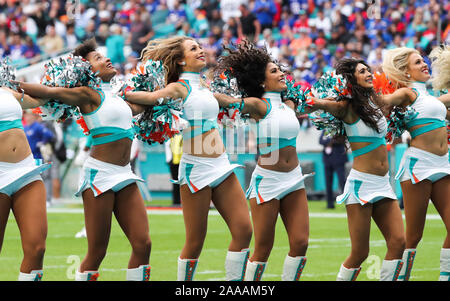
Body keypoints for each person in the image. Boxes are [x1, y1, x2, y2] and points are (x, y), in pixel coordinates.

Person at [16, 38, 152, 281]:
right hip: (100, 176)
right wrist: (12, 84)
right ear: (87, 70)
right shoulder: (88, 94)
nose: (106, 58)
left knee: (143, 244)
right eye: (98, 58)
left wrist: (167, 92)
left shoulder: (120, 97)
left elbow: (145, 105)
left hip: (125, 173)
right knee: (97, 252)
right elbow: (50, 92)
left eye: (104, 55)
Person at [124, 36, 252, 281]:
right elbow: (151, 98)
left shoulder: (205, 84)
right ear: (181, 60)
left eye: (201, 46)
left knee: (244, 230)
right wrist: (122, 95)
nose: (201, 50)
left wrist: (244, 103)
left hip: (221, 165)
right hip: (196, 169)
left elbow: (221, 101)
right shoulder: (180, 87)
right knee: (195, 241)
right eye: (194, 48)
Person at [213, 40, 311, 281]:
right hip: (268, 181)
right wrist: (200, 93)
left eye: (280, 69)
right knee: (263, 248)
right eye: (274, 71)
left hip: (294, 178)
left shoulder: (289, 104)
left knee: (300, 243)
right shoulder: (259, 105)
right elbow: (226, 101)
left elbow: (317, 104)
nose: (282, 73)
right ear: (261, 81)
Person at [307, 58, 406, 281]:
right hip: (361, 185)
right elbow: (320, 104)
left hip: (383, 184)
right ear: (351, 79)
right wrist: (309, 101)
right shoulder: (347, 108)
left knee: (399, 242)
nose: (369, 73)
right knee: (360, 252)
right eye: (363, 71)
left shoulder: (376, 102)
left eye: (368, 70)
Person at [381, 47, 450, 281]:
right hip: (419, 167)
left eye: (423, 61)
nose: (424, 64)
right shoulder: (409, 94)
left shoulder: (433, 98)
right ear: (405, 71)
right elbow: (385, 99)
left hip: (443, 164)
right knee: (413, 236)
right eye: (418, 62)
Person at [0, 86, 51, 281]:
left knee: (37, 248)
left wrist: (62, 86)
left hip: (25, 170)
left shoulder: (5, 90)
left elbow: (40, 101)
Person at [319, 131, 348, 209]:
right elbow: (320, 141)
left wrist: (328, 141)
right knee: (328, 184)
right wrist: (331, 141)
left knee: (342, 182)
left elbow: (341, 140)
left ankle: (348, 204)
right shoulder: (325, 130)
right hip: (328, 161)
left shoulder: (339, 129)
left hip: (339, 160)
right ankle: (330, 204)